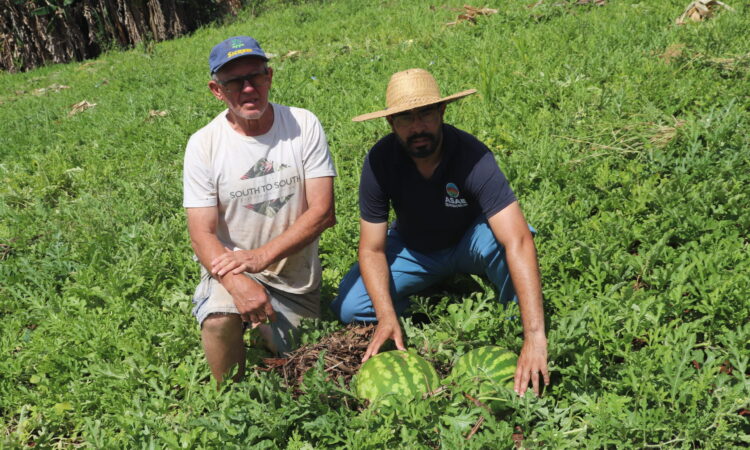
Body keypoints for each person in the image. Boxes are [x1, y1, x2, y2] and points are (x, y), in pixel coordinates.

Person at [331, 68, 549, 396]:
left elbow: (516, 237)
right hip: (414, 248)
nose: (417, 127)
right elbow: (371, 249)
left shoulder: (472, 156)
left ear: (442, 111)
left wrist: (536, 336)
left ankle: (512, 326)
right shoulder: (379, 161)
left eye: (426, 114)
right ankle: (425, 300)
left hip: (470, 240)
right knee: (350, 308)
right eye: (405, 118)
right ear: (391, 123)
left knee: (510, 246)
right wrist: (386, 314)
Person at [183, 36, 336, 383]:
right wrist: (238, 282)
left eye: (255, 76)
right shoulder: (204, 145)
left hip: (296, 282)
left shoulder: (302, 125)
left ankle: (268, 329)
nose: (248, 88)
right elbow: (201, 233)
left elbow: (323, 212)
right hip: (235, 268)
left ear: (270, 77)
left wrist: (261, 256)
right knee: (220, 318)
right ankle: (231, 401)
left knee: (304, 364)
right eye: (235, 82)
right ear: (216, 90)